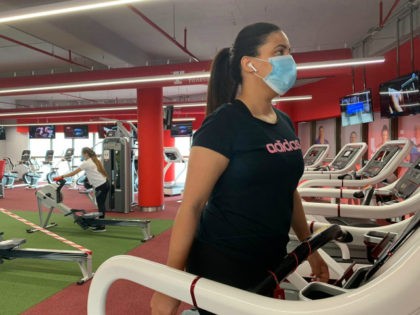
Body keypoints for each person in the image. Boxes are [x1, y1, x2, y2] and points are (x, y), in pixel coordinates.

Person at [150, 22, 329, 315]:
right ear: (250, 64)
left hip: (269, 261)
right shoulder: (223, 125)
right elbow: (192, 206)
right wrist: (170, 282)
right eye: (279, 51)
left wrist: (311, 249)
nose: (289, 60)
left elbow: (288, 191)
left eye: (290, 52)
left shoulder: (283, 123)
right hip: (224, 262)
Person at [53, 147, 109, 232]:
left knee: (101, 205)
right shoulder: (94, 160)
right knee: (101, 204)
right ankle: (100, 223)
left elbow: (74, 173)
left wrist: (61, 176)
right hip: (104, 183)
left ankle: (102, 226)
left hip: (101, 185)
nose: (81, 155)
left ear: (86, 154)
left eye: (82, 153)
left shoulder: (86, 163)